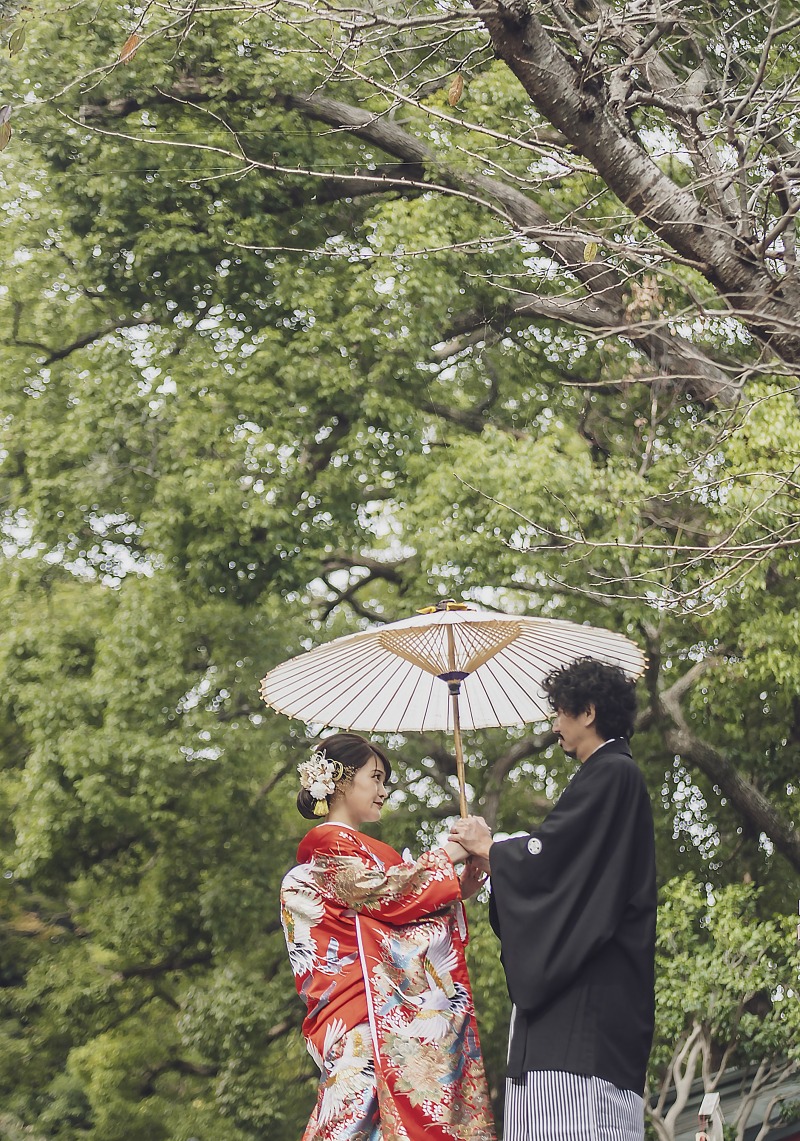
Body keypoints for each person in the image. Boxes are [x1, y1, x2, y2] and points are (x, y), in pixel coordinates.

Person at [449, 657, 657, 1141]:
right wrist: (499, 865)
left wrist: (490, 845)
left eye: (561, 710)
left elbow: (556, 860)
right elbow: (557, 867)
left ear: (587, 712)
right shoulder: (603, 776)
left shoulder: (614, 774)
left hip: (585, 1012)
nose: (555, 721)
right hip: (574, 1008)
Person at [280, 731, 496, 1141]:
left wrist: (458, 889)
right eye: (375, 777)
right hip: (362, 1013)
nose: (383, 790)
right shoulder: (328, 848)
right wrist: (448, 856)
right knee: (353, 1119)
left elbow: (399, 908)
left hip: (382, 1011)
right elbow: (387, 897)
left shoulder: (375, 855)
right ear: (341, 779)